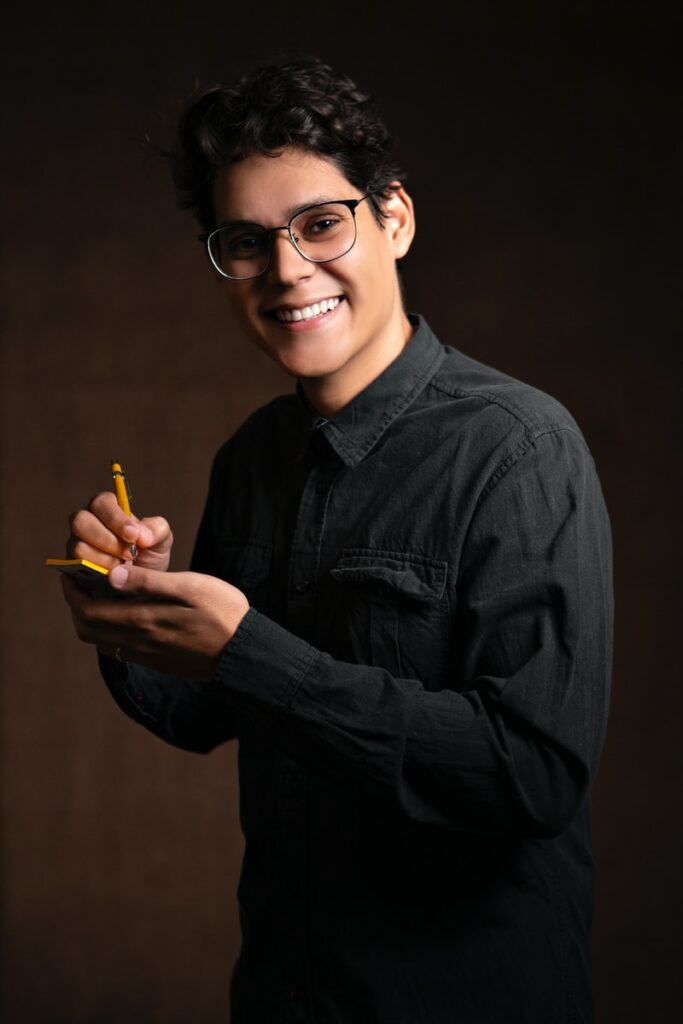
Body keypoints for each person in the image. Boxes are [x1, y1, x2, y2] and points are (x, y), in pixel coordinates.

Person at [61, 56, 613, 1024]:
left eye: (319, 223)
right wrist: (130, 612)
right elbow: (205, 715)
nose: (284, 271)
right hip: (286, 988)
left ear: (391, 217)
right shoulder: (253, 456)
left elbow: (530, 776)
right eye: (245, 241)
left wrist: (250, 649)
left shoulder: (517, 446)